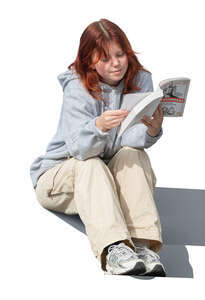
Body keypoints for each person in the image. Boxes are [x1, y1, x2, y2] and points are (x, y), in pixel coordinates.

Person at [29, 18, 166, 277]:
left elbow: (129, 140)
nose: (116, 63)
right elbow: (79, 150)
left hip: (105, 175)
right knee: (91, 164)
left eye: (120, 54)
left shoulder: (140, 80)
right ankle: (114, 247)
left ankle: (144, 245)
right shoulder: (78, 86)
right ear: (89, 60)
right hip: (61, 177)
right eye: (104, 58)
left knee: (133, 154)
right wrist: (99, 126)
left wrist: (152, 130)